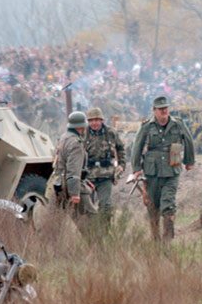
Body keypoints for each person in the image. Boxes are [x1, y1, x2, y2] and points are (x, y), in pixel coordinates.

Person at [131, 96, 195, 242]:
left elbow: (189, 141)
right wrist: (136, 169)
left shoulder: (178, 124)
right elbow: (137, 146)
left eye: (166, 108)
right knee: (152, 206)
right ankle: (155, 240)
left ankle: (167, 242)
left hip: (172, 171)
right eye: (160, 109)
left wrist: (189, 161)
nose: (164, 111)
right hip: (152, 172)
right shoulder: (147, 126)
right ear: (154, 111)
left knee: (168, 205)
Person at [45, 111, 96, 233]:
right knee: (90, 218)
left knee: (55, 220)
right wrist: (75, 193)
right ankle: (96, 247)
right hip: (70, 186)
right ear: (81, 126)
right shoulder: (76, 143)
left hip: (58, 183)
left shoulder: (63, 138)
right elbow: (73, 170)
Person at [83, 107, 126, 225]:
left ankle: (105, 232)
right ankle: (90, 234)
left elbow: (121, 148)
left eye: (97, 120)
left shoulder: (111, 132)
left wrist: (122, 165)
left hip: (105, 175)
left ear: (102, 120)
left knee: (106, 206)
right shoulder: (83, 134)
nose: (94, 123)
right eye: (91, 120)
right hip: (87, 176)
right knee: (88, 208)